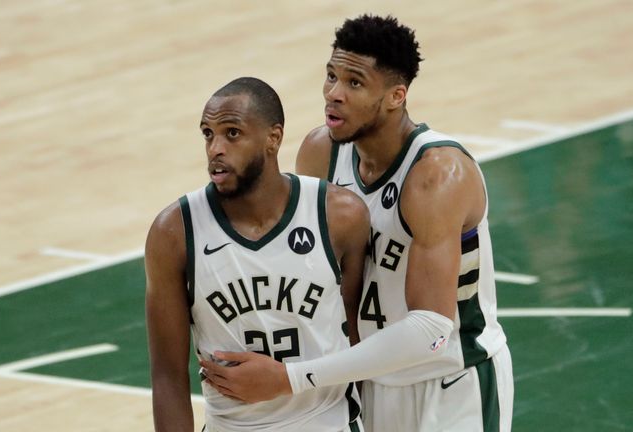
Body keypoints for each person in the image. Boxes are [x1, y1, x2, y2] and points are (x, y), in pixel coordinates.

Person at [199, 15, 514, 432]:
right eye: (331, 76)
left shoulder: (437, 175)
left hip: (451, 380)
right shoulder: (320, 154)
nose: (333, 94)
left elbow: (431, 331)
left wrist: (289, 379)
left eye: (354, 83)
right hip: (365, 380)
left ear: (395, 96)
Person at [145, 77, 370, 432]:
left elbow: (362, 339)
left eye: (232, 133)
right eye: (208, 134)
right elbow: (168, 375)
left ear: (273, 138)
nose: (215, 148)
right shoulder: (174, 232)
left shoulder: (339, 215)